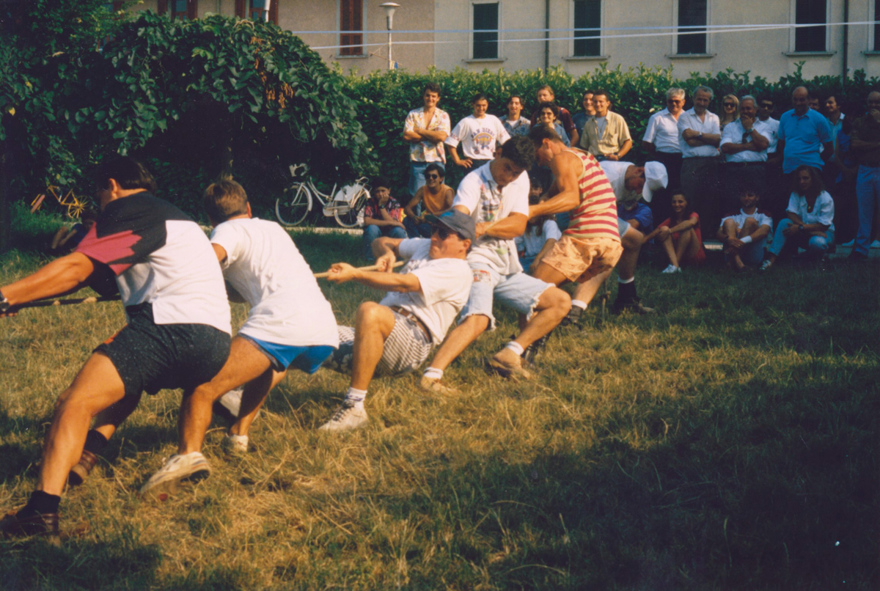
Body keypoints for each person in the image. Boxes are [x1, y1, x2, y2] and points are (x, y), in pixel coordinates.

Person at [0, 157, 232, 540]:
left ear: (111, 185)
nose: (100, 206)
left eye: (98, 196)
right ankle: (89, 451)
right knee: (125, 377)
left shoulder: (127, 208)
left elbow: (78, 271)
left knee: (74, 402)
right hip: (213, 343)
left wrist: (6, 296)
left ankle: (40, 513)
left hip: (171, 327)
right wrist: (27, 295)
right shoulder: (172, 216)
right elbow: (105, 280)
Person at [139, 180, 339, 496]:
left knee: (203, 386)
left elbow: (209, 257)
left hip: (283, 323)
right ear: (248, 209)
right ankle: (238, 437)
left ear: (210, 220)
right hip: (323, 330)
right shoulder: (272, 228)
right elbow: (240, 288)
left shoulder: (226, 232)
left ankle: (187, 455)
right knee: (266, 366)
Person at [418, 136, 571, 390]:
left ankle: (509, 354)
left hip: (507, 263)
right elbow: (459, 223)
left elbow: (519, 225)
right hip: (476, 260)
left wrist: (483, 227)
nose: (509, 176)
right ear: (497, 153)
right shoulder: (472, 181)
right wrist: (471, 231)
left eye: (516, 172)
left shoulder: (520, 178)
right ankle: (431, 376)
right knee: (478, 319)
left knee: (560, 301)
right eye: (507, 168)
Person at [318, 210, 474, 431]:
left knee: (369, 311)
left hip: (413, 341)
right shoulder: (425, 245)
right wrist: (387, 253)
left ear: (464, 244)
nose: (435, 236)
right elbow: (382, 241)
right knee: (306, 335)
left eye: (443, 233)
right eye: (433, 230)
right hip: (380, 332)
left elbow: (404, 283)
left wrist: (355, 274)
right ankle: (252, 395)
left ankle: (354, 408)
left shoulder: (457, 270)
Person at [525, 125, 623, 328]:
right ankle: (548, 328)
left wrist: (532, 211)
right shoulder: (580, 155)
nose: (538, 162)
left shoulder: (560, 159)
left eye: (536, 155)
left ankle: (523, 346)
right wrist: (545, 198)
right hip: (611, 242)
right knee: (549, 289)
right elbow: (561, 186)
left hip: (586, 238)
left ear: (546, 143)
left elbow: (570, 197)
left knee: (532, 291)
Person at [561, 160, 667, 324]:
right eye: (640, 186)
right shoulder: (607, 175)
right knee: (607, 255)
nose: (638, 192)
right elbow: (574, 198)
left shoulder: (632, 182)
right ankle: (574, 312)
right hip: (579, 210)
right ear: (639, 170)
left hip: (602, 213)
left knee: (634, 239)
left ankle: (626, 298)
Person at [760, 165, 835, 270]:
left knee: (818, 243)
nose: (802, 182)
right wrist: (802, 227)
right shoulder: (796, 193)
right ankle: (770, 260)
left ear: (813, 179)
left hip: (824, 233)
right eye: (799, 179)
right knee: (784, 223)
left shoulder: (825, 198)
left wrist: (800, 228)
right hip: (804, 230)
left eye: (805, 178)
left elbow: (824, 225)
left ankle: (809, 259)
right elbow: (791, 213)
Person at [776, 86, 834, 220]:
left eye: (802, 100)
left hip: (812, 170)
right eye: (795, 100)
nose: (798, 103)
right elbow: (781, 143)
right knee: (791, 207)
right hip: (790, 169)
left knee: (810, 206)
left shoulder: (819, 119)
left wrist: (814, 162)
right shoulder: (785, 117)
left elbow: (829, 148)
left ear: (808, 100)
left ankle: (810, 234)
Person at [678, 85, 722, 233]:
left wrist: (697, 134)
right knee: (690, 201)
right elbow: (688, 140)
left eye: (705, 100)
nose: (702, 103)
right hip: (692, 165)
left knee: (709, 201)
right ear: (693, 98)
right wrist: (709, 139)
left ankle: (703, 237)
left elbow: (718, 140)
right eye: (699, 99)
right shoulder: (684, 117)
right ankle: (689, 235)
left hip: (711, 164)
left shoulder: (714, 117)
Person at [720, 95, 771, 215]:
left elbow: (763, 144)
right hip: (734, 170)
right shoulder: (730, 127)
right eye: (743, 109)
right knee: (732, 204)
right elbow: (725, 147)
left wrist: (750, 129)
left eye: (749, 108)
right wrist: (749, 146)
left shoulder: (764, 127)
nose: (745, 112)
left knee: (759, 205)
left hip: (756, 170)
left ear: (755, 109)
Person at [643, 87, 686, 223]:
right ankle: (660, 226)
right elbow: (647, 142)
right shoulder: (657, 118)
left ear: (683, 102)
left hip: (683, 160)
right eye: (670, 101)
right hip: (663, 159)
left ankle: (678, 226)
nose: (673, 104)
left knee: (680, 194)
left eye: (677, 101)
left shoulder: (689, 118)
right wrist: (658, 157)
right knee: (662, 195)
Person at [403, 82, 451, 198]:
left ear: (438, 98)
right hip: (418, 162)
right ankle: (416, 217)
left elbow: (441, 137)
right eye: (428, 95)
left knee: (438, 196)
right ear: (423, 96)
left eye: (433, 96)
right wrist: (432, 135)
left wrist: (420, 131)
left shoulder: (443, 115)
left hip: (437, 160)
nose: (430, 98)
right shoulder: (413, 114)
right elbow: (407, 136)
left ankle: (436, 217)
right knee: (415, 196)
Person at [848, 90, 880, 261]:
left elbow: (861, 144)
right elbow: (855, 144)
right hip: (865, 170)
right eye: (871, 102)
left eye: (877, 102)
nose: (873, 106)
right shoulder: (860, 122)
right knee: (864, 211)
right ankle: (861, 250)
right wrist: (877, 144)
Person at [644, 191, 707, 274]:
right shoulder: (671, 219)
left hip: (695, 255)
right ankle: (676, 266)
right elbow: (658, 230)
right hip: (682, 257)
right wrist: (642, 240)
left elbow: (691, 223)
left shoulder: (693, 214)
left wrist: (670, 231)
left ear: (686, 203)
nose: (677, 205)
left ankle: (674, 265)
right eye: (674, 202)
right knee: (664, 229)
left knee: (686, 228)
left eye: (680, 202)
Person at [446, 93, 510, 172]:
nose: (481, 108)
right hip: (473, 163)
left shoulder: (493, 120)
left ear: (487, 105)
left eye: (484, 105)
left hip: (490, 162)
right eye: (478, 105)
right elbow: (450, 142)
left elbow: (507, 141)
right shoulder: (465, 122)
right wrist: (458, 160)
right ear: (473, 105)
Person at [717, 187, 773, 270]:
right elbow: (719, 233)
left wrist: (741, 241)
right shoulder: (731, 214)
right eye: (743, 195)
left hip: (753, 255)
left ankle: (732, 261)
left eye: (750, 195)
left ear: (757, 197)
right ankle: (739, 263)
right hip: (732, 251)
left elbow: (764, 231)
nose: (746, 198)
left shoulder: (764, 214)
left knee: (750, 222)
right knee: (729, 222)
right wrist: (728, 239)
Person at [516, 175, 562, 272]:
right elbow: (517, 244)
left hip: (547, 258)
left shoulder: (549, 223)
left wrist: (537, 260)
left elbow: (551, 241)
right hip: (528, 259)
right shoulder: (524, 224)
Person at [577, 89, 633, 162]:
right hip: (594, 161)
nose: (597, 104)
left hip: (612, 160)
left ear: (607, 103)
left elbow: (628, 141)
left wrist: (618, 156)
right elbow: (584, 147)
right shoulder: (588, 123)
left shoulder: (617, 119)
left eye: (601, 101)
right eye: (595, 101)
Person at [403, 163, 454, 238]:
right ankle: (416, 244)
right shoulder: (423, 190)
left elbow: (453, 210)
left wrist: (432, 216)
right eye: (428, 176)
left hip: (444, 225)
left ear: (441, 179)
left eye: (434, 176)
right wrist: (414, 217)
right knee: (407, 220)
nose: (430, 178)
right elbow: (407, 208)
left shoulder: (447, 191)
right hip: (430, 225)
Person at [362, 177, 407, 260]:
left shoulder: (393, 202)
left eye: (383, 191)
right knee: (371, 229)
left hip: (390, 231)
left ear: (388, 191)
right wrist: (392, 223)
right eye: (377, 191)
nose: (380, 194)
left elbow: (392, 221)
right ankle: (371, 258)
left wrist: (381, 206)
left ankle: (399, 257)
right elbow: (367, 221)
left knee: (399, 231)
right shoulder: (370, 202)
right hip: (376, 231)